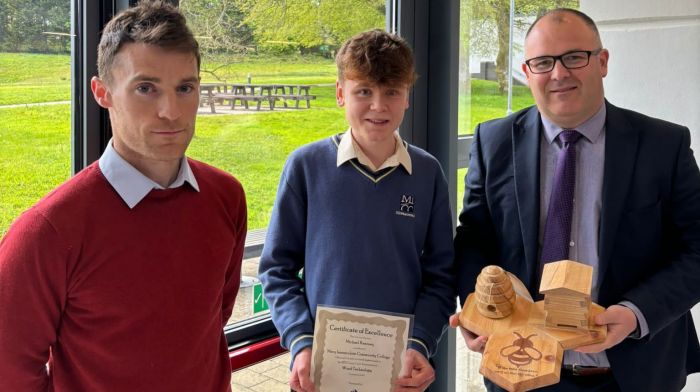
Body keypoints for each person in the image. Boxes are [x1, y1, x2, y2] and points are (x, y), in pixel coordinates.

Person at [0, 1, 246, 390]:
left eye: (185, 88)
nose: (171, 111)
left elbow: (214, 317)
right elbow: (9, 370)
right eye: (146, 88)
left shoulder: (226, 197)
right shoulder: (49, 230)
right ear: (102, 93)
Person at [452, 8, 700, 392]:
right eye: (543, 62)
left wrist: (635, 314)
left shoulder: (663, 145)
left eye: (573, 57)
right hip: (520, 368)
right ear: (527, 70)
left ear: (601, 62)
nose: (558, 73)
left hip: (635, 372)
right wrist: (479, 309)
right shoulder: (493, 142)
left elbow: (696, 249)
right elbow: (474, 239)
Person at [258, 29, 454, 392]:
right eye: (363, 91)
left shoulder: (427, 173)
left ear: (407, 97)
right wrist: (300, 341)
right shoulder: (305, 166)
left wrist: (421, 342)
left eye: (391, 92)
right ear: (339, 94)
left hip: (402, 373)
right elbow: (276, 270)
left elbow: (441, 275)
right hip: (321, 372)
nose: (378, 106)